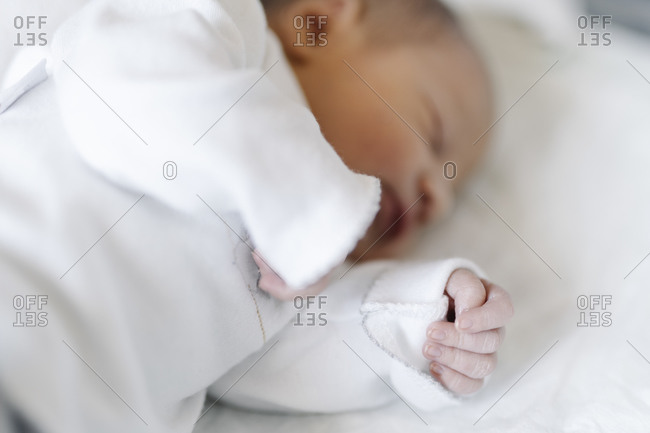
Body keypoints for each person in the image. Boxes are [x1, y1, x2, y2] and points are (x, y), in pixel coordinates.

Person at [0, 0, 512, 431]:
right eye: (434, 131)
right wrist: (304, 205)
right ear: (322, 22)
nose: (437, 200)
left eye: (453, 190)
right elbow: (114, 71)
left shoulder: (300, 264)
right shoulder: (223, 31)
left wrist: (428, 320)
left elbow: (278, 365)